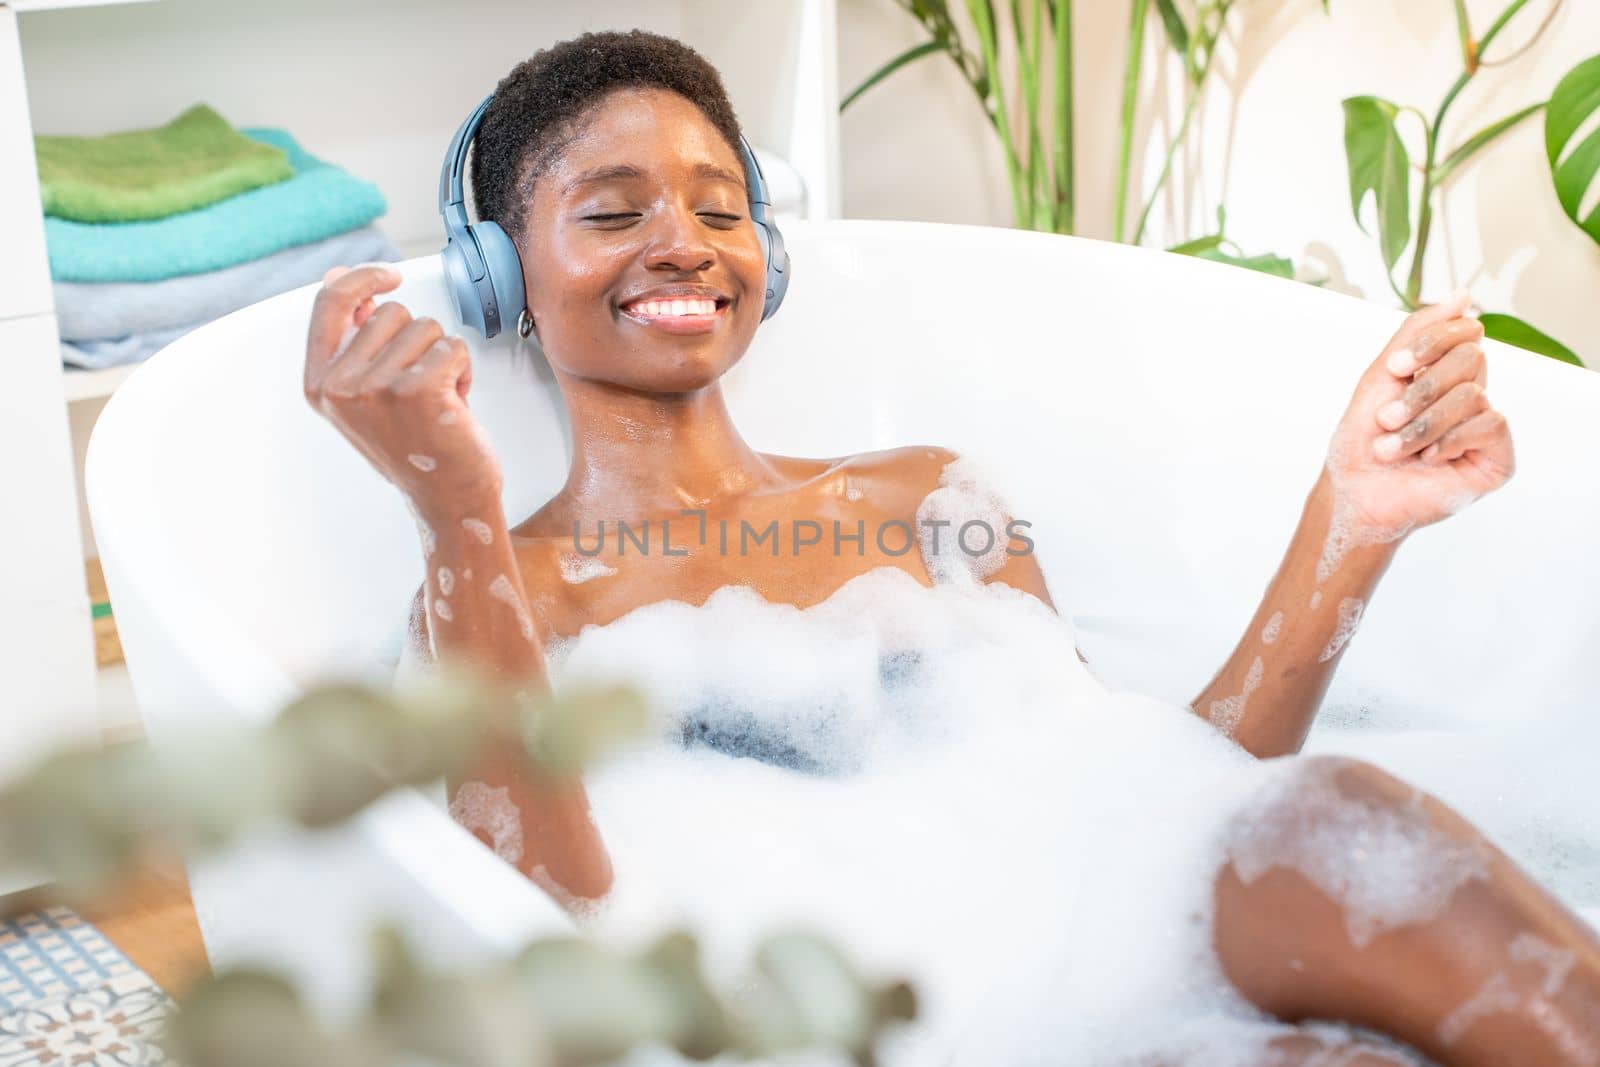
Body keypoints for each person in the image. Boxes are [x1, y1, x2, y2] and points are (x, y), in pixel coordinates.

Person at [302, 29, 1600, 1067]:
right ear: (494, 275)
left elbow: (1167, 790)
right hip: (892, 1032)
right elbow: (556, 929)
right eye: (611, 212)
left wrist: (1351, 521)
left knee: (1328, 814)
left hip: (1100, 958)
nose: (683, 242)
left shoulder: (933, 494)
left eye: (718, 204)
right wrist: (455, 513)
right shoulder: (498, 588)